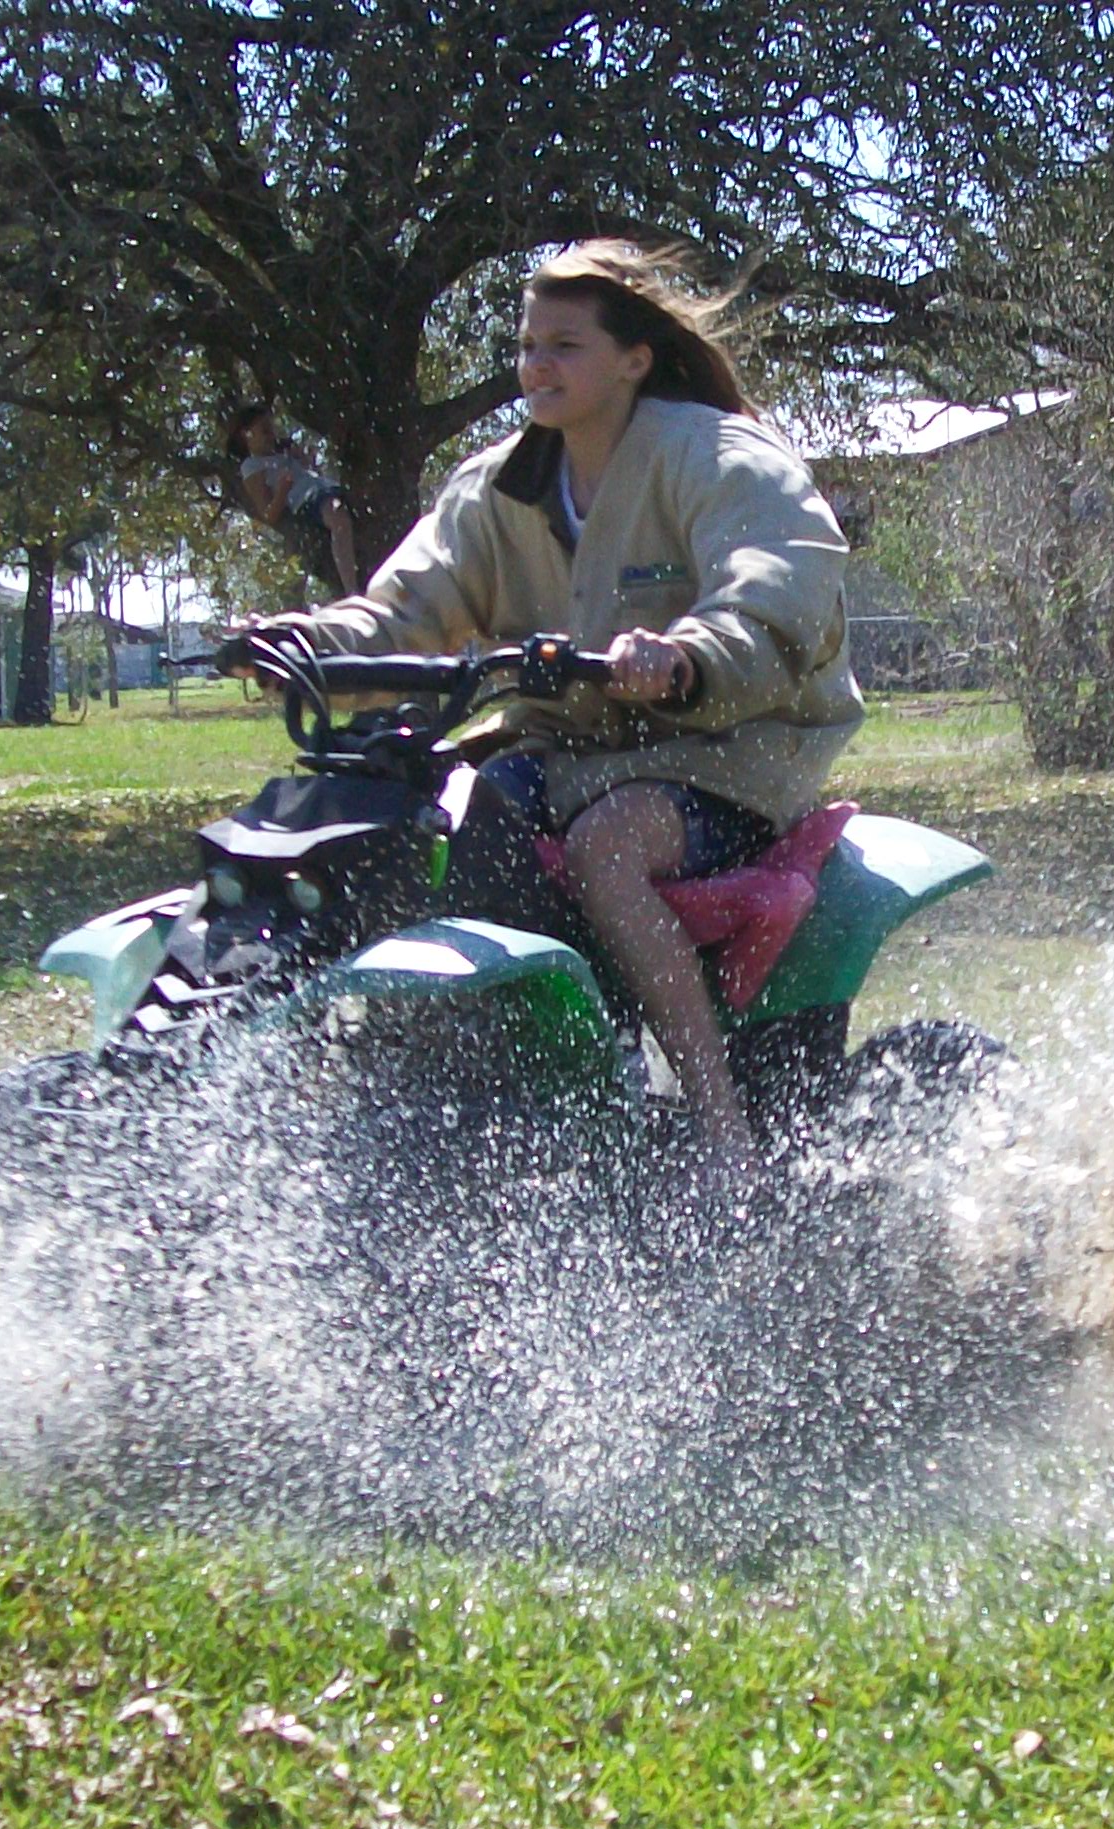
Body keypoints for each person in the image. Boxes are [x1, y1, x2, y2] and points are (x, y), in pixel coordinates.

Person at [231, 240, 863, 1174]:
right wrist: (309, 647)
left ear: (635, 358)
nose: (537, 365)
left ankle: (720, 1130)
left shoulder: (720, 458)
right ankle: (447, 1079)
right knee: (427, 827)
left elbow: (777, 589)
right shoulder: (499, 487)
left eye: (565, 346)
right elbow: (404, 611)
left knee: (608, 846)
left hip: (726, 750)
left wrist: (688, 655)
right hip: (568, 751)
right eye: (528, 345)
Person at [224, 405, 362, 595]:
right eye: (264, 430)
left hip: (325, 487)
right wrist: (282, 491)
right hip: (306, 500)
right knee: (339, 520)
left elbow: (308, 472)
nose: (271, 435)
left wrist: (306, 460)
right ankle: (352, 591)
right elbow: (268, 514)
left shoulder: (283, 452)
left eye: (271, 429)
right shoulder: (251, 466)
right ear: (246, 435)